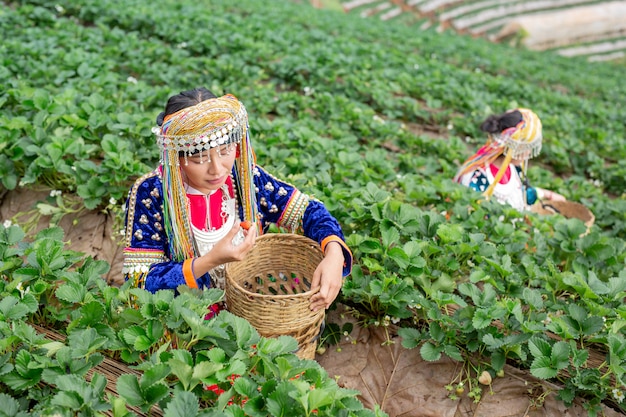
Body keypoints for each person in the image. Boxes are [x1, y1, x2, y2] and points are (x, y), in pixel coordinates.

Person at [122, 88, 352, 312]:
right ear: (176, 156)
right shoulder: (153, 192)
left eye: (225, 151)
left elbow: (309, 211)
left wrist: (333, 252)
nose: (217, 169)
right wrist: (210, 260)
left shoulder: (244, 179)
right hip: (190, 319)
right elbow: (139, 283)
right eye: (200, 158)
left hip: (250, 302)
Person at [454, 108, 565, 212]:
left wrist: (548, 195)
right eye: (527, 148)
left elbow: (524, 194)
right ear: (516, 148)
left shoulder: (514, 169)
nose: (529, 153)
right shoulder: (478, 178)